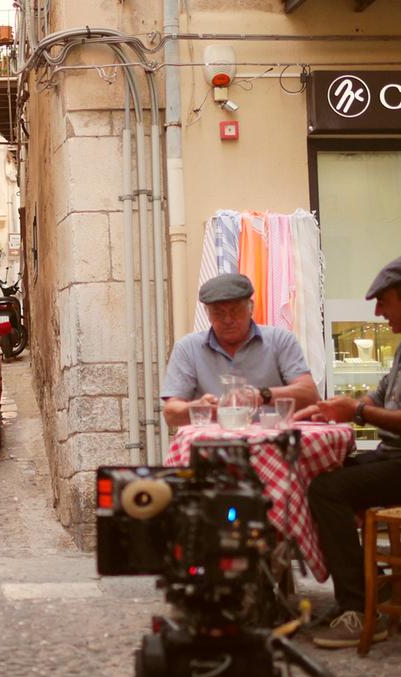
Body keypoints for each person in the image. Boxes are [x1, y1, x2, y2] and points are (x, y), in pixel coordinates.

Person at [294, 255, 401, 649]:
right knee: (323, 474)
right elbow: (383, 391)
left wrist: (356, 411)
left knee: (327, 490)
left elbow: (379, 410)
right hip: (393, 459)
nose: (378, 311)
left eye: (385, 301)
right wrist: (332, 407)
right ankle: (364, 594)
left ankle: (359, 607)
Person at [161, 272, 319, 427]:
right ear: (207, 314)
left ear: (251, 308)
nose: (228, 320)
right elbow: (170, 414)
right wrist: (199, 407)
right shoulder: (188, 348)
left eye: (235, 311)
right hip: (211, 448)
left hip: (273, 444)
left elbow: (310, 394)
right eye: (218, 313)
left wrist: (262, 395)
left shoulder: (281, 340)